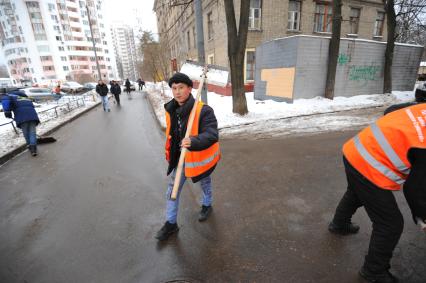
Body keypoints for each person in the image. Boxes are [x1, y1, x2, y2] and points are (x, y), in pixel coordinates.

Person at [328, 103, 426, 283]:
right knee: (390, 224)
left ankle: (339, 225)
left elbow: (391, 110)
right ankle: (373, 273)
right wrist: (422, 216)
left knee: (356, 193)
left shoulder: (422, 107)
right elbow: (414, 189)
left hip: (355, 150)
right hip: (369, 165)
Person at [155, 72, 221, 241]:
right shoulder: (171, 109)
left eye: (181, 88)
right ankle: (171, 223)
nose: (177, 92)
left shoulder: (203, 110)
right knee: (172, 191)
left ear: (190, 88)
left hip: (199, 159)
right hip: (180, 159)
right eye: (174, 88)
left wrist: (193, 140)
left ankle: (207, 205)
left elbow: (212, 134)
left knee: (204, 183)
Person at [1, 88, 40, 156]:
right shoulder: (25, 98)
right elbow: (31, 106)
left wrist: (7, 112)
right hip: (33, 116)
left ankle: (30, 146)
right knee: (32, 132)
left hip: (22, 117)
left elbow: (5, 100)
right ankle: (34, 149)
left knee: (26, 133)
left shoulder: (10, 96)